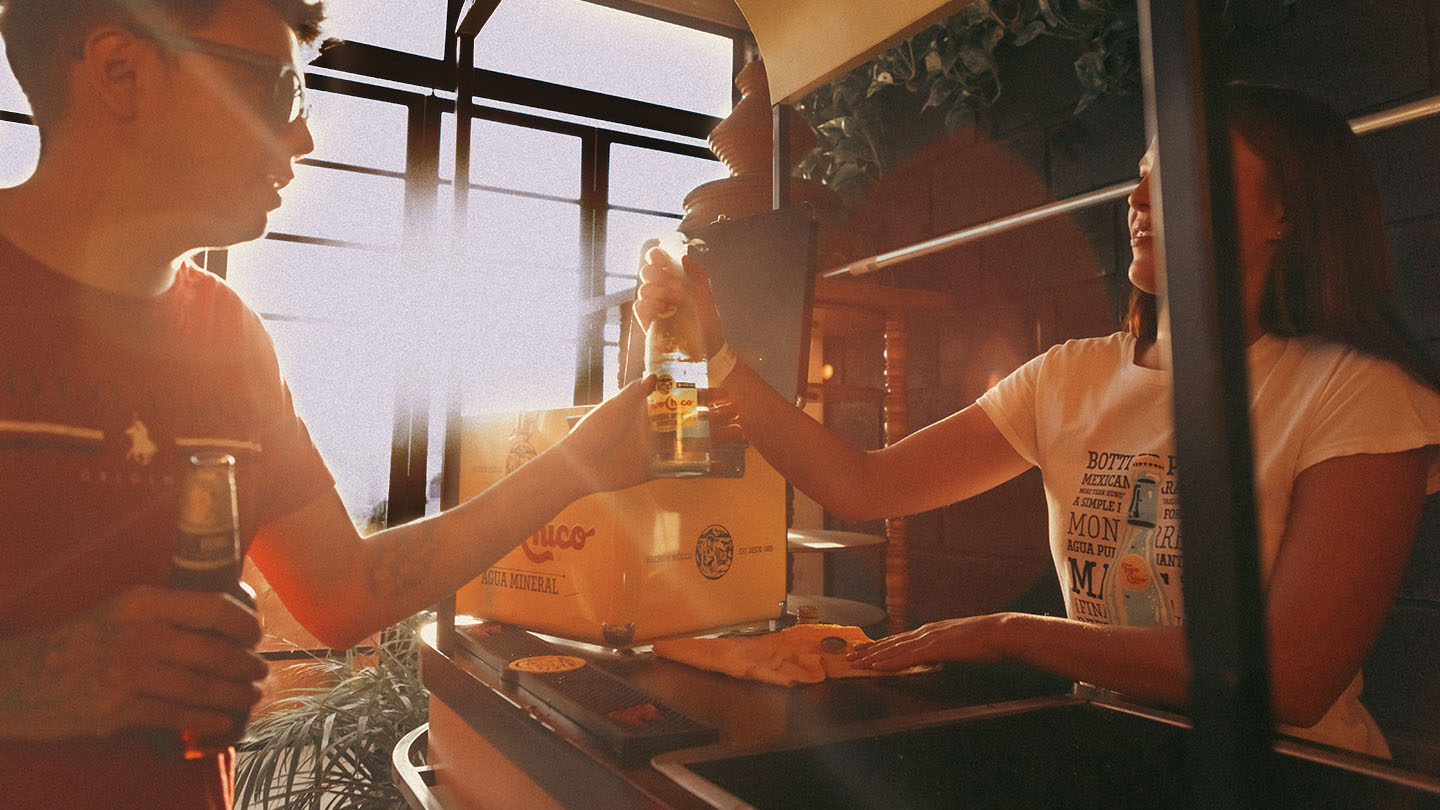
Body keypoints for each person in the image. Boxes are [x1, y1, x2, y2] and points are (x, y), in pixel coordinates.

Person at [635, 82, 1440, 758]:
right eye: (1142, 173)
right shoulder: (1071, 375)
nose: (1137, 200)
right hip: (1117, 755)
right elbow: (864, 483)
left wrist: (1008, 632)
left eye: (1183, 174)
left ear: (1285, 215)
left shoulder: (1358, 393)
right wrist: (718, 355)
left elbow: (1294, 678)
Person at [0, 0, 654, 807]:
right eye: (280, 91)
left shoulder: (226, 336)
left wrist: (577, 464)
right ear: (120, 71)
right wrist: (30, 684)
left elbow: (344, 594)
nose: (303, 137)